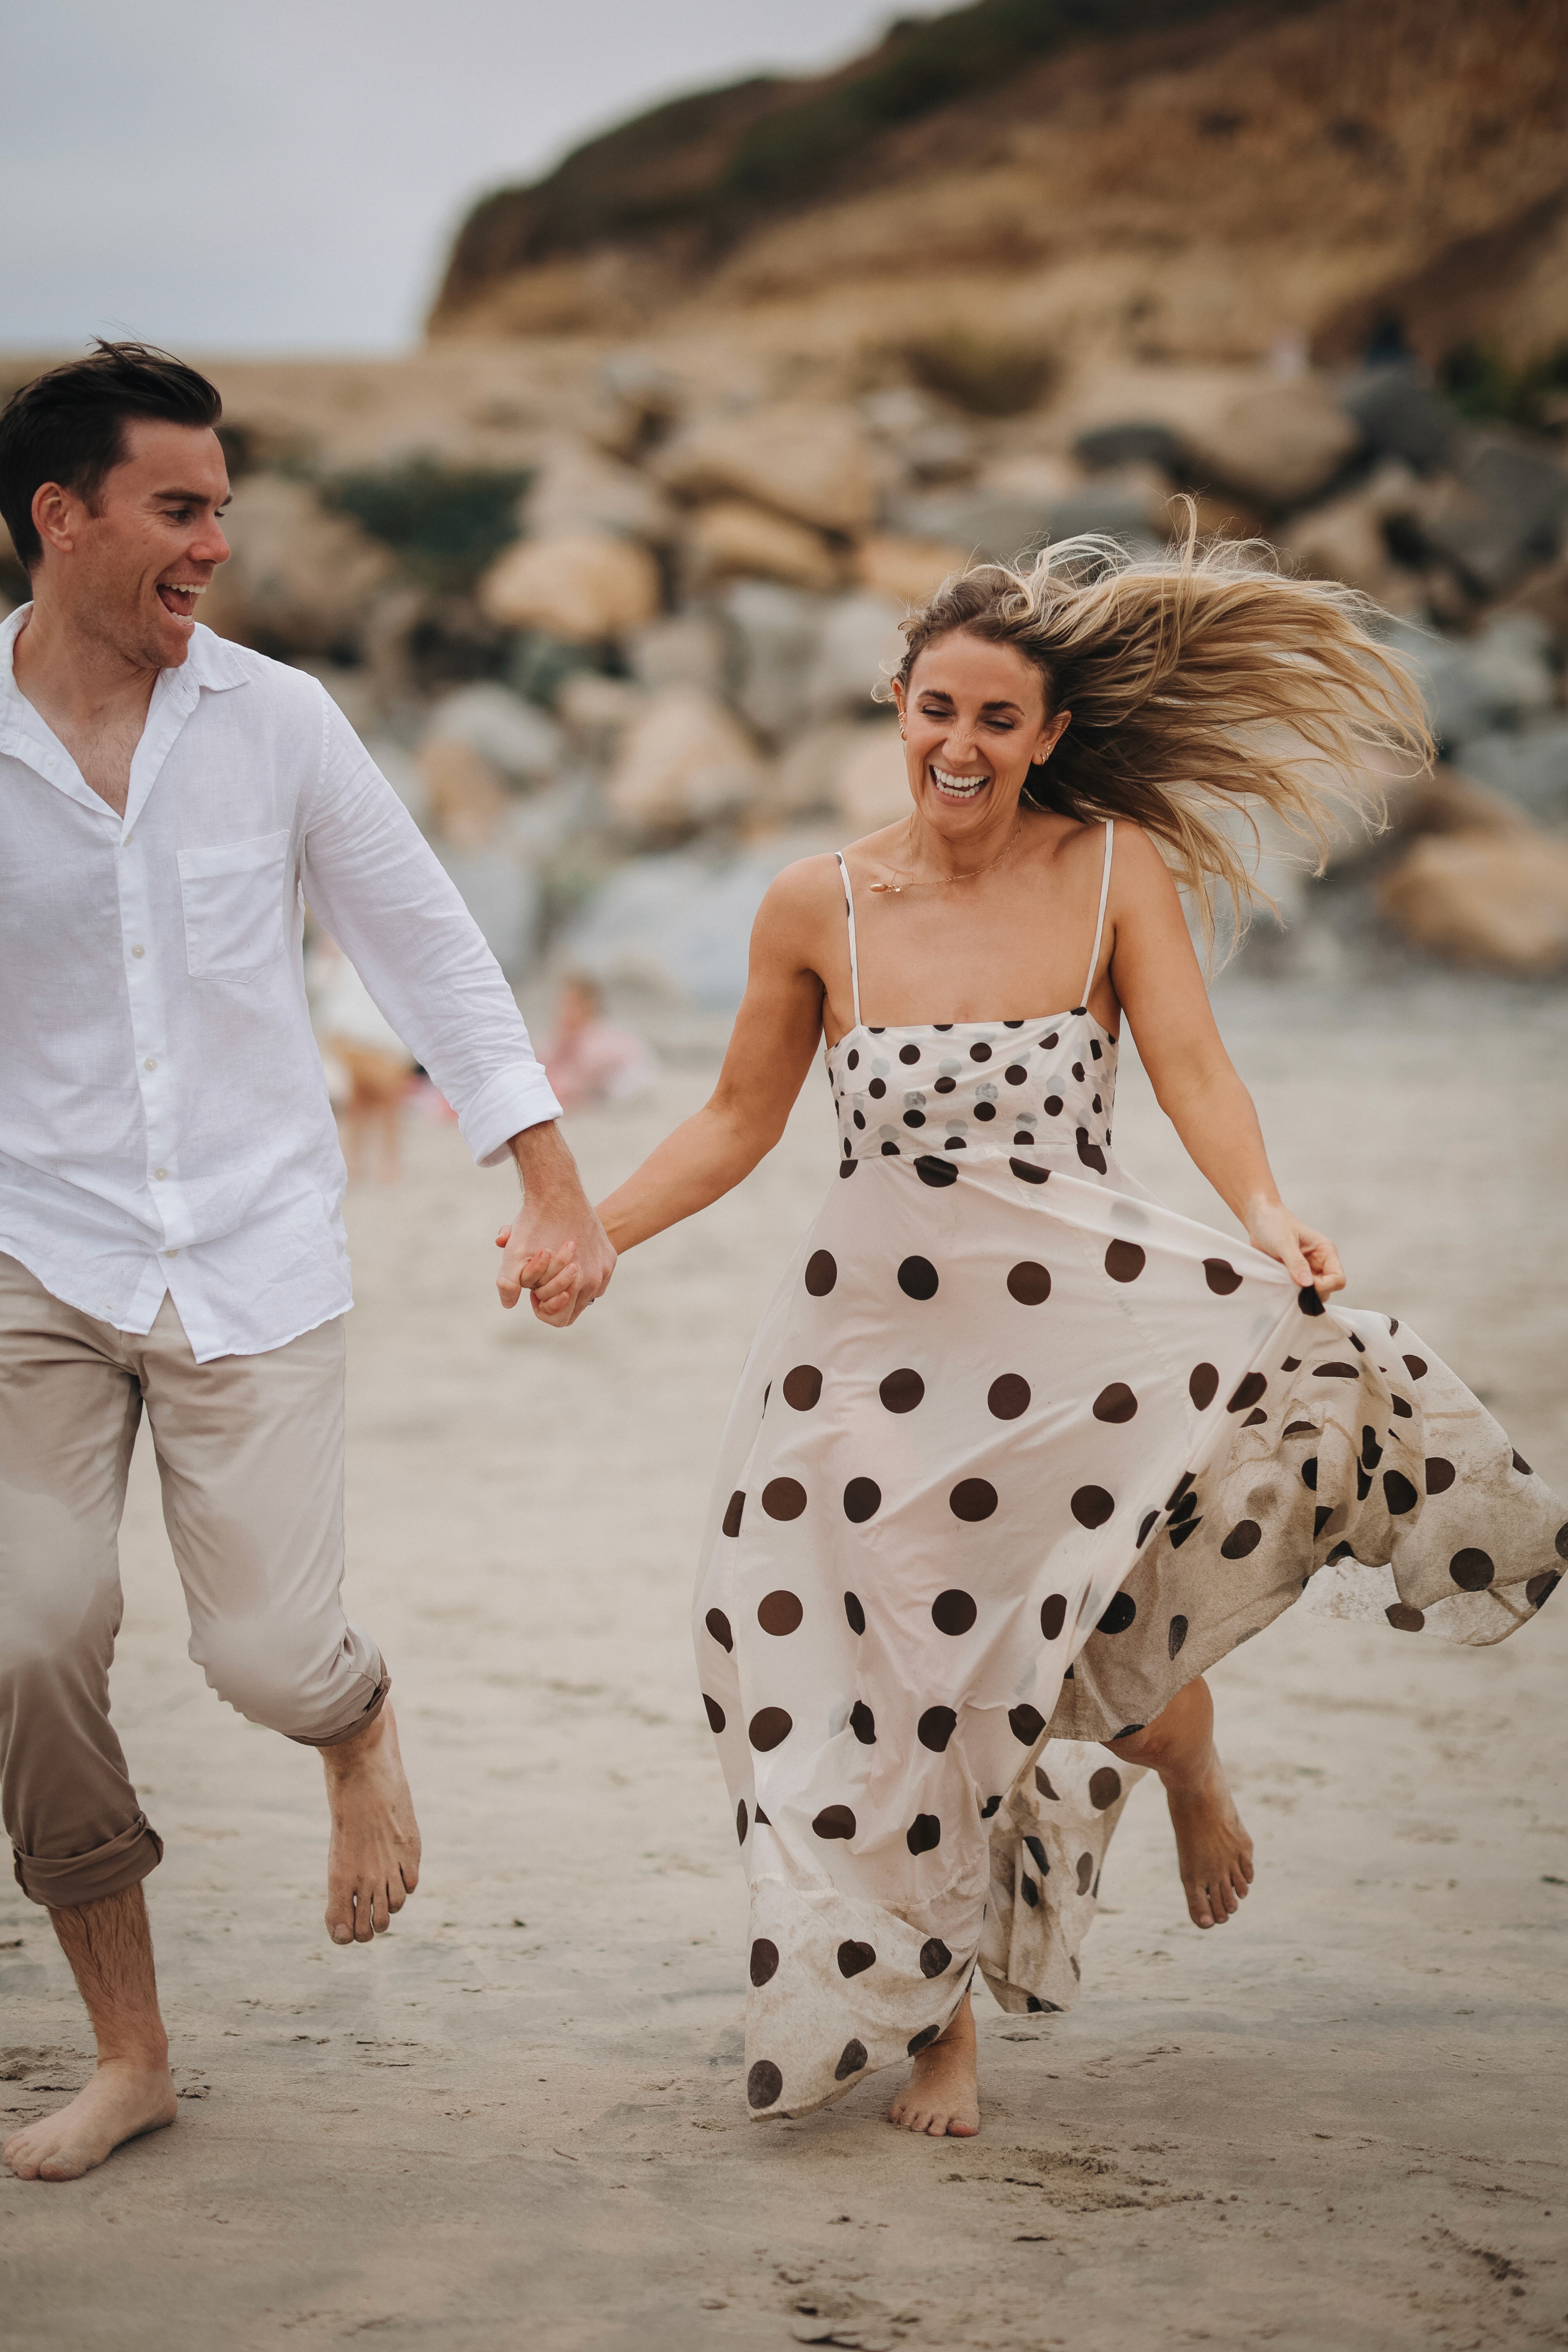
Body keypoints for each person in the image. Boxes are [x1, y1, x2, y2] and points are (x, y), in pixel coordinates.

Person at [523, 533, 1565, 2138]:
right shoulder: (817, 906)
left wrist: (1265, 1212)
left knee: (1076, 1656)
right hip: (866, 1365)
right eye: (935, 708)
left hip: (1077, 1349)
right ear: (896, 703)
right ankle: (939, 2023)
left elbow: (1197, 1075)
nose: (959, 745)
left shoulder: (1108, 873)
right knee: (866, 1678)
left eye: (996, 720)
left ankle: (1183, 1762)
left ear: (1048, 733)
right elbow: (738, 1120)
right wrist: (596, 1232)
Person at [0, 343, 613, 2184]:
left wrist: (552, 1186)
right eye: (178, 511)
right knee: (25, 1637)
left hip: (258, 1253)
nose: (211, 546)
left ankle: (353, 1717)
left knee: (264, 1653)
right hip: (33, 1249)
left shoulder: (279, 720)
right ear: (62, 517)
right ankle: (132, 2049)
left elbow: (423, 950)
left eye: (222, 513)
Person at [307, 930, 418, 1182]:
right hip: (353, 1034)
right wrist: (328, 956)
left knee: (381, 1102)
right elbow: (318, 983)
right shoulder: (338, 938)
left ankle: (379, 1165)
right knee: (367, 1101)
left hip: (386, 1037)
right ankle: (366, 1165)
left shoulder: (393, 945)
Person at [540, 973, 657, 1112]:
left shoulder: (594, 1037)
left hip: (630, 1075)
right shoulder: (567, 1036)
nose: (563, 1012)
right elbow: (551, 1063)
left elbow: (582, 1076)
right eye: (562, 1005)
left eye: (570, 1005)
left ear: (588, 1008)